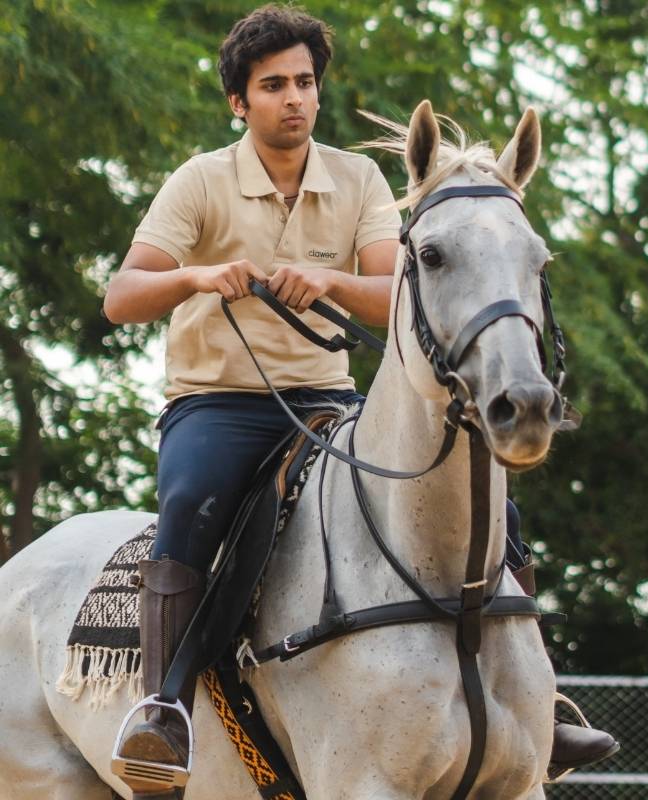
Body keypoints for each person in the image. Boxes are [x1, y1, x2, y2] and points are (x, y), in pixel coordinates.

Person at [104, 6, 616, 797]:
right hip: (221, 404)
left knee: (496, 510)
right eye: (273, 85)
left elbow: (395, 292)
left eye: (305, 82)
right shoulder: (200, 181)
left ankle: (535, 698)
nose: (295, 99)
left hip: (330, 399)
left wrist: (334, 283)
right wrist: (200, 276)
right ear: (239, 101)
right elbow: (122, 296)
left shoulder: (359, 179)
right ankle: (162, 709)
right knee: (193, 503)